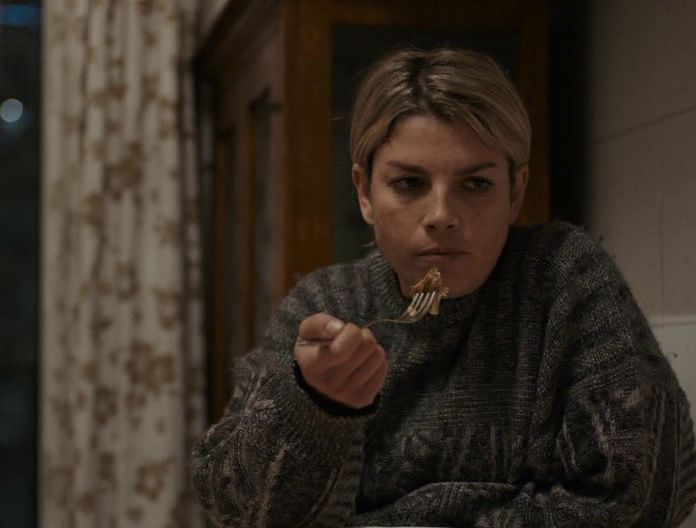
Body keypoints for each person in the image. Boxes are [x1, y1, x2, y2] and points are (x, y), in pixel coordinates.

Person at [191, 47, 696, 527]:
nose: (441, 216)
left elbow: (648, 497)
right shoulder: (328, 305)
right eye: (409, 184)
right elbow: (235, 508)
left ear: (516, 193)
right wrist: (312, 405)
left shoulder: (563, 280)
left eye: (475, 184)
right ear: (365, 193)